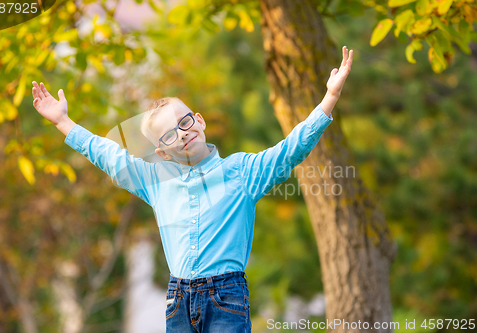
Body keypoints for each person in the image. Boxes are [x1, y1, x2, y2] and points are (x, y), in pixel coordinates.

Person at [32, 46, 353, 333]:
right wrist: (63, 122)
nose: (182, 134)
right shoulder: (155, 181)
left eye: (184, 122)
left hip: (226, 297)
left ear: (199, 121)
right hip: (178, 300)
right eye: (169, 135)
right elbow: (110, 156)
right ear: (161, 152)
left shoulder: (242, 172)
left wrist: (329, 99)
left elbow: (290, 149)